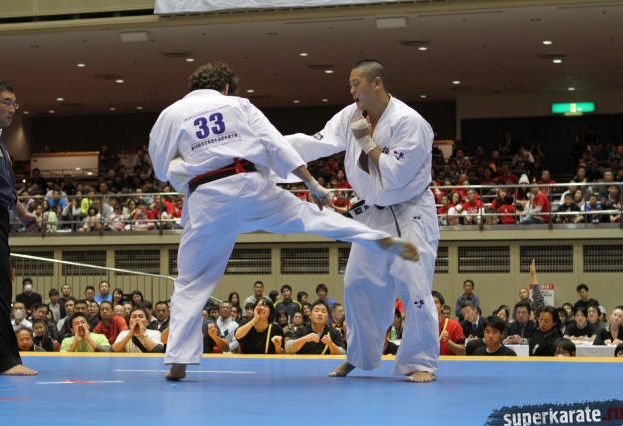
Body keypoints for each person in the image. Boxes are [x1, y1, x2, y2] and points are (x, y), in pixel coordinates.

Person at [149, 62, 418, 380]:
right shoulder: (238, 104)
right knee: (310, 217)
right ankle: (376, 238)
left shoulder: (170, 114)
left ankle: (179, 362)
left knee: (191, 282)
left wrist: (185, 166)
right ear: (226, 88)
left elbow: (161, 169)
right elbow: (276, 144)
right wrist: (311, 183)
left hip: (207, 199)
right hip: (249, 185)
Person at [286, 60, 440, 382]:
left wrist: (367, 141)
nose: (351, 90)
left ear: (377, 83)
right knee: (357, 283)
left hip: (409, 211)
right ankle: (359, 356)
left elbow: (397, 176)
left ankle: (421, 362)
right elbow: (316, 142)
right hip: (372, 213)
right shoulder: (350, 116)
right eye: (350, 85)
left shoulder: (410, 122)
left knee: (413, 285)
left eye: (356, 83)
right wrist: (272, 151)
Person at [528, 260, 562, 356]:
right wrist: (534, 277)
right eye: (540, 319)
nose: (542, 324)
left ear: (554, 322)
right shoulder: (539, 329)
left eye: (547, 321)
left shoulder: (555, 342)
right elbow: (537, 300)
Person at [432, 291, 465, 356]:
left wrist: (448, 342)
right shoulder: (420, 326)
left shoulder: (454, 325)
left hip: (448, 362)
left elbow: (462, 352)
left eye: (435, 302)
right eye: (429, 303)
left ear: (442, 306)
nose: (432, 305)